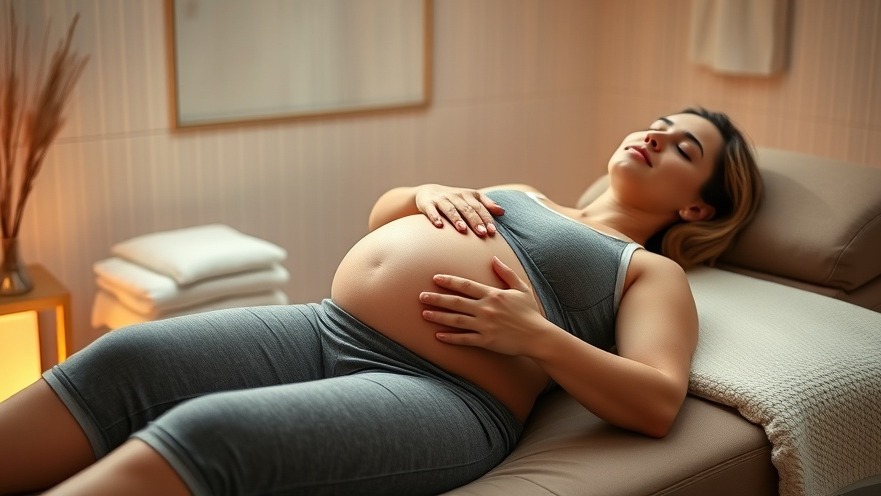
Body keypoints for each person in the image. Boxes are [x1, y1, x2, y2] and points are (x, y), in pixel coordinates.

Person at [0, 107, 762, 496]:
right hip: (324, 327)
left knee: (208, 432)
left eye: (682, 149)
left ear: (695, 210)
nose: (653, 139)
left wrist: (534, 337)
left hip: (443, 393)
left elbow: (657, 401)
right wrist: (418, 190)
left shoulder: (647, 273)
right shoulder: (528, 194)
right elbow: (383, 220)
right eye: (657, 126)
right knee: (125, 358)